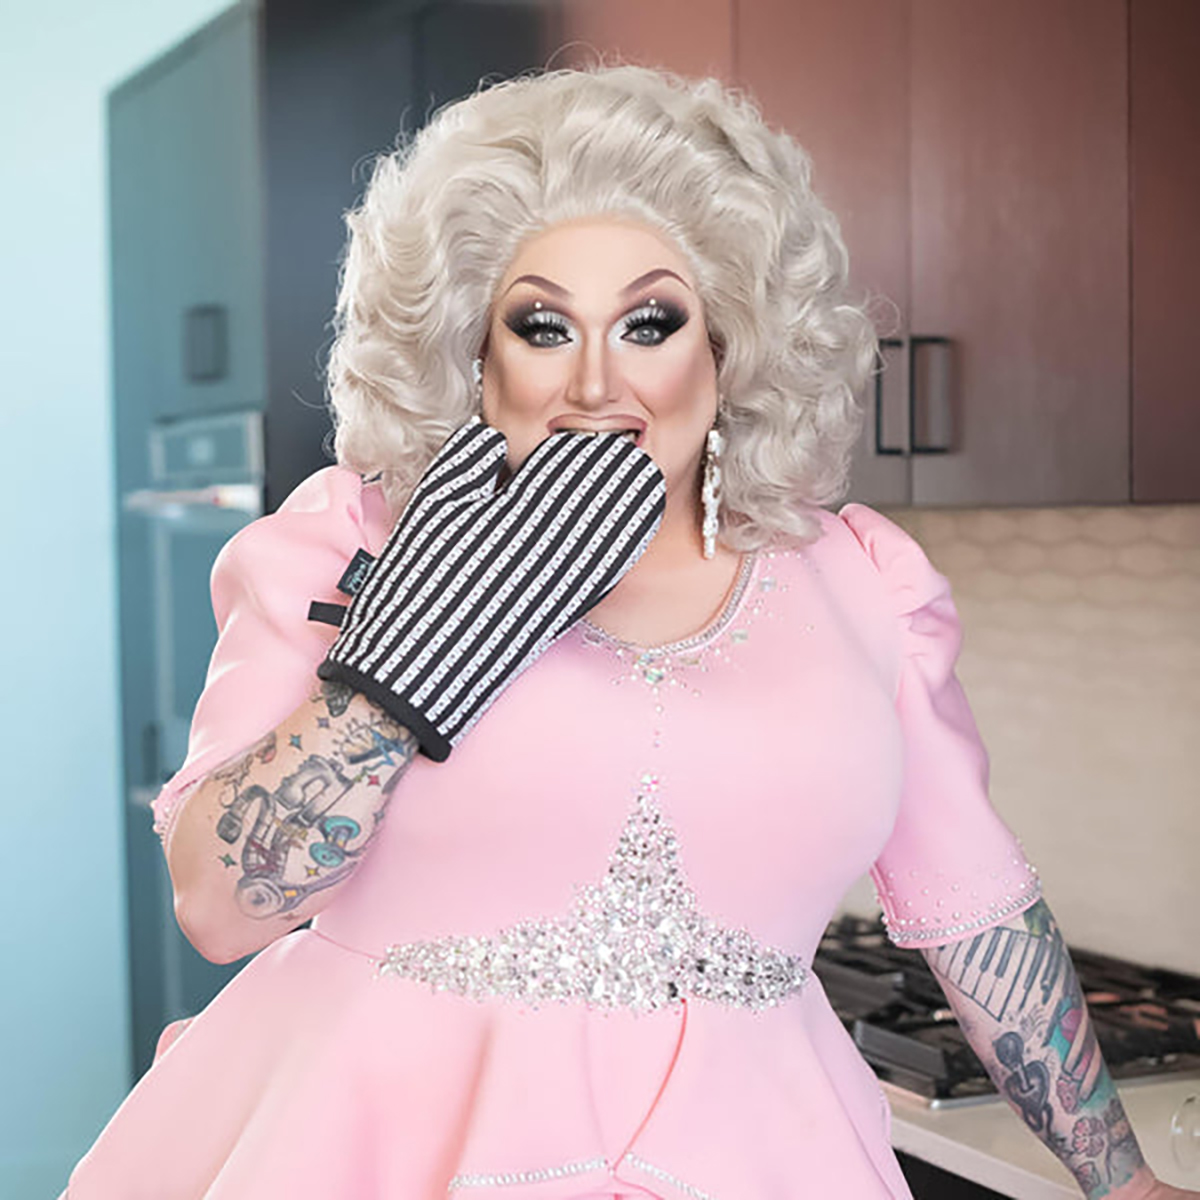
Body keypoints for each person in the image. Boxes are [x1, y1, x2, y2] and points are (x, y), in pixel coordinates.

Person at [63, 64, 1192, 1200]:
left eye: (651, 323)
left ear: (728, 346)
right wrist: (406, 665)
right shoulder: (350, 541)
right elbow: (220, 908)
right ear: (475, 350)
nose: (598, 381)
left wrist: (1125, 1184)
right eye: (543, 326)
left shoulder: (864, 583)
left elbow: (979, 917)